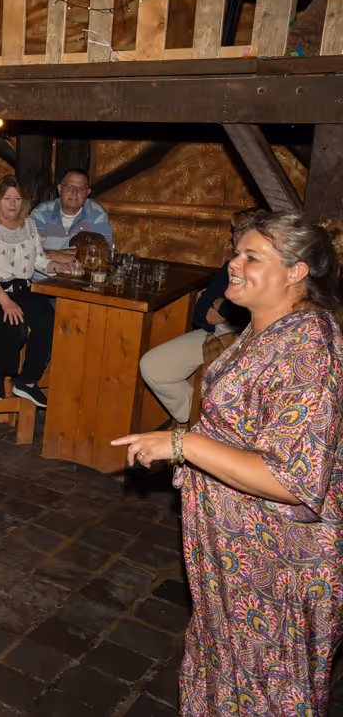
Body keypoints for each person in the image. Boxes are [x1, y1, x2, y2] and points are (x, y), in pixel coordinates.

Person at [112, 213, 343, 717]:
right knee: (227, 677)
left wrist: (183, 443)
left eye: (251, 257)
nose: (232, 263)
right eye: (236, 253)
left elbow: (294, 479)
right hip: (235, 559)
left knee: (265, 692)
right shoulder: (271, 329)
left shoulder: (308, 345)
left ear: (296, 272)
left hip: (276, 566)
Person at [139, 207, 260, 424]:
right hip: (213, 334)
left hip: (248, 342)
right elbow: (201, 313)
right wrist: (220, 306)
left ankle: (212, 426)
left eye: (244, 230)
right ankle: (199, 421)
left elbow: (248, 311)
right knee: (153, 366)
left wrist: (223, 306)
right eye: (235, 230)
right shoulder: (230, 266)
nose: (236, 236)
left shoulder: (266, 268)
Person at [0, 175, 71, 408]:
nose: (12, 203)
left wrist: (55, 266)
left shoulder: (28, 225)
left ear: (24, 202)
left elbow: (39, 259)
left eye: (17, 199)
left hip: (17, 289)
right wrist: (5, 301)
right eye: (7, 198)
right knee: (9, 321)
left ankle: (27, 381)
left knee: (47, 318)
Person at [29, 167, 114, 268]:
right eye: (69, 187)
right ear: (60, 189)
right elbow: (30, 254)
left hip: (80, 279)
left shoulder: (97, 213)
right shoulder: (41, 213)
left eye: (81, 189)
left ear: (87, 192)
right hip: (43, 279)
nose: (74, 192)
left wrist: (54, 254)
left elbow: (103, 254)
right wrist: (80, 255)